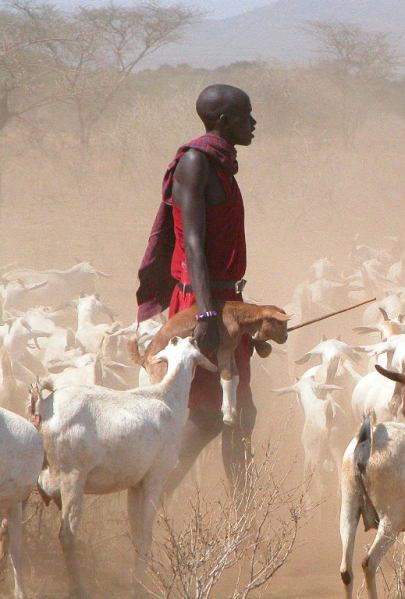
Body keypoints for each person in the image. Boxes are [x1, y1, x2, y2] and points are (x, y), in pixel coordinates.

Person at [135, 84, 257, 492]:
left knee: (241, 411)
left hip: (225, 300)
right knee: (208, 414)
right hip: (200, 302)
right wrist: (206, 314)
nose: (253, 123)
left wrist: (245, 318)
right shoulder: (195, 163)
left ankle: (244, 520)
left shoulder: (221, 164)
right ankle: (152, 498)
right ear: (223, 121)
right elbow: (193, 242)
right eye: (245, 116)